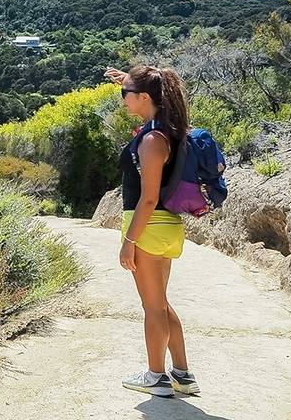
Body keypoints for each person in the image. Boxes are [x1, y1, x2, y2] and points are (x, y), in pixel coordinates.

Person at [102, 64, 200, 399]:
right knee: (160, 303)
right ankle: (183, 376)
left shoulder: (152, 140)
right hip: (166, 226)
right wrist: (125, 81)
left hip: (148, 226)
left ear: (144, 97)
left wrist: (129, 242)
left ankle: (156, 376)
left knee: (152, 308)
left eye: (125, 94)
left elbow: (149, 198)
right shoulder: (164, 130)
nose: (122, 99)